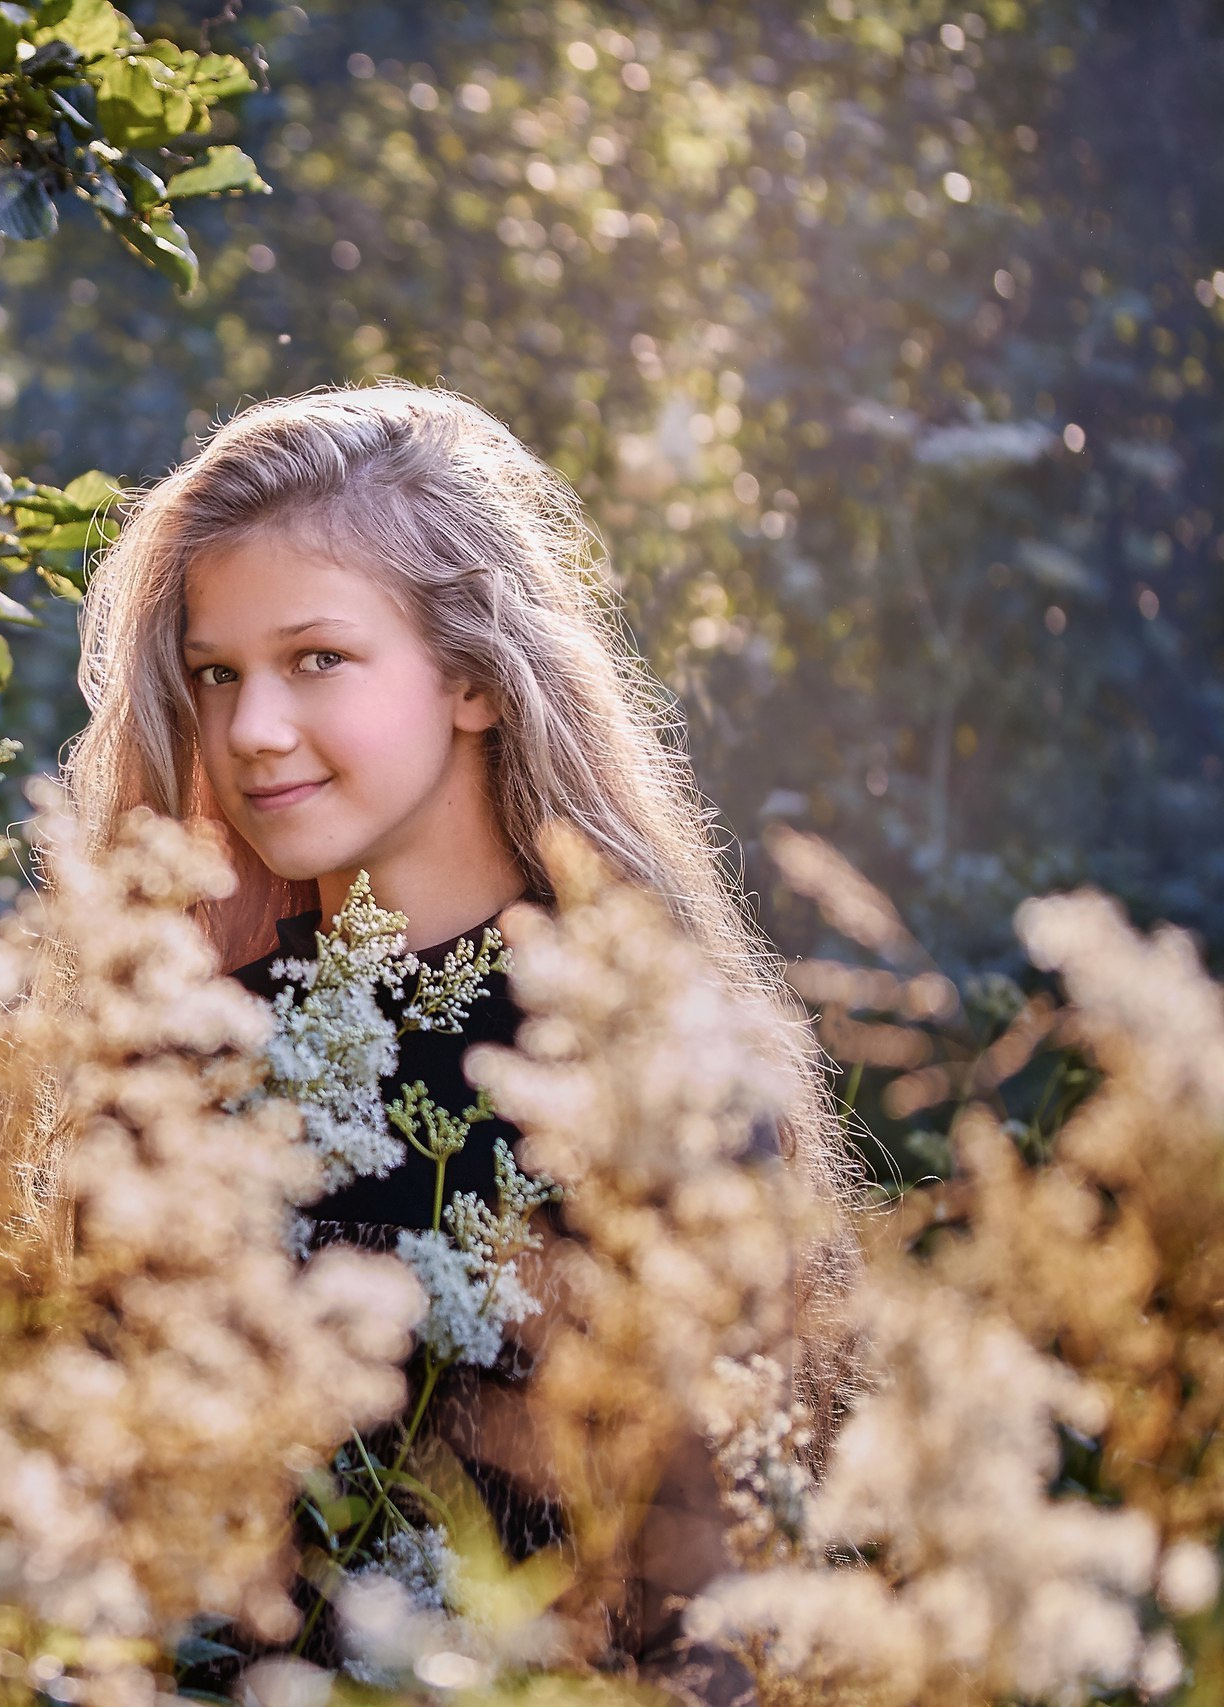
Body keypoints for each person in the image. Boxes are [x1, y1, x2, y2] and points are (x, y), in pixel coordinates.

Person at [60, 381, 851, 1702]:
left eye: (317, 659)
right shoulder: (188, 1054)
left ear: (474, 678)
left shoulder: (651, 1070)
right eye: (217, 674)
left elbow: (716, 1629)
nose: (253, 729)